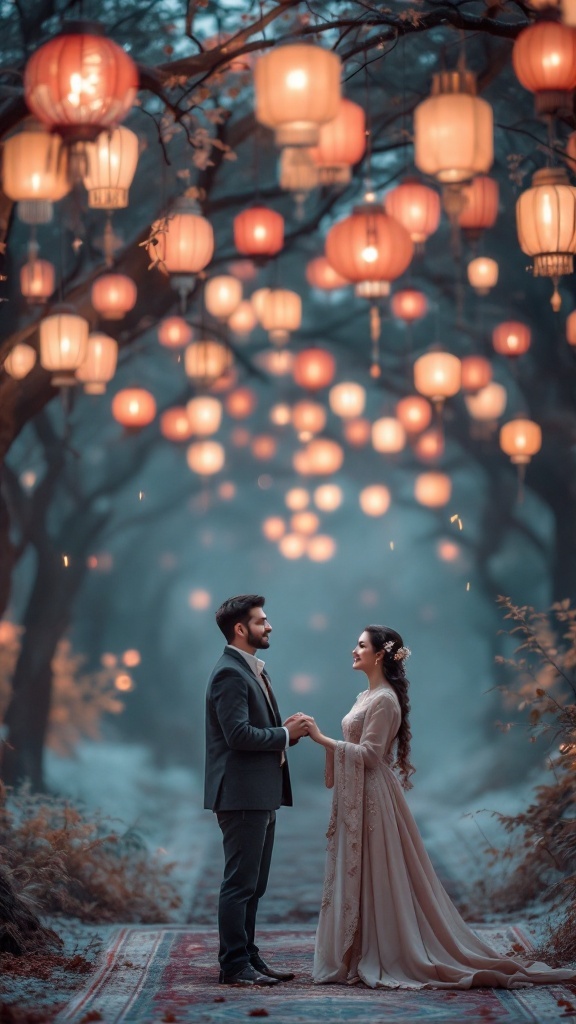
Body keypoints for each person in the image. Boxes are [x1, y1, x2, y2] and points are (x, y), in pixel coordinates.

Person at [305, 624, 576, 989]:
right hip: (360, 796)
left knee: (381, 871)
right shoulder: (364, 696)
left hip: (374, 798)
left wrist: (319, 737)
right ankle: (359, 948)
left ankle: (387, 949)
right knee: (363, 869)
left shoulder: (384, 699)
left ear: (380, 654)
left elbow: (370, 756)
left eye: (360, 645)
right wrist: (323, 741)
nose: (353, 651)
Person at [204, 594, 312, 987]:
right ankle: (233, 965)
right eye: (262, 621)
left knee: (255, 885)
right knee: (240, 884)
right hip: (240, 795)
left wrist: (282, 730)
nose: (269, 626)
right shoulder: (230, 673)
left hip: (257, 794)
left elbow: (249, 728)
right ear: (240, 628)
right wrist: (285, 734)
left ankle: (248, 956)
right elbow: (237, 735)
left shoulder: (251, 669)